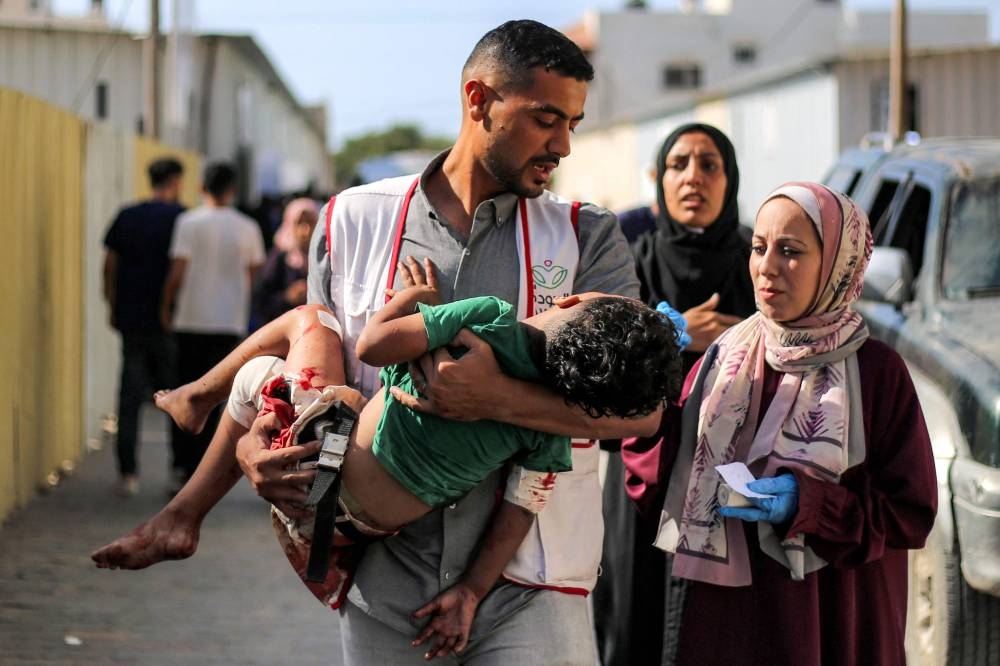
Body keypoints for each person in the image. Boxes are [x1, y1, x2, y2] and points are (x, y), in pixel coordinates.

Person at [93, 19, 652, 664]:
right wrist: (254, 451)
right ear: (478, 100)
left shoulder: (589, 238)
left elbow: (640, 410)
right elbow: (308, 377)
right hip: (379, 579)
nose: (563, 146)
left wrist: (493, 399)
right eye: (545, 119)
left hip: (533, 584)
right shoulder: (351, 219)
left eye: (573, 124)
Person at [152, 278, 679, 652]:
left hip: (315, 466)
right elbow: (520, 511)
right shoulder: (549, 427)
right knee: (349, 402)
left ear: (569, 299)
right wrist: (471, 590)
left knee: (307, 325)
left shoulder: (486, 319)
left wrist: (408, 300)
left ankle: (195, 400)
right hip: (358, 528)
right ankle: (191, 471)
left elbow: (375, 346)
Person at [621, 182, 937, 665]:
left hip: (832, 620)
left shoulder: (876, 372)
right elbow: (652, 481)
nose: (767, 267)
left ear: (837, 263)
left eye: (790, 251)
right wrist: (652, 372)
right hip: (725, 623)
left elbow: (909, 514)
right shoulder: (723, 357)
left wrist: (810, 503)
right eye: (759, 248)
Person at [595, 123, 758, 665]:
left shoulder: (758, 264)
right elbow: (601, 374)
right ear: (659, 179)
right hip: (644, 474)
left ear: (730, 179)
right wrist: (673, 334)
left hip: (741, 478)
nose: (694, 178)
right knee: (634, 620)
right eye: (679, 164)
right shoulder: (630, 262)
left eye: (710, 165)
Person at [160, 162, 265, 489]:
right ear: (232, 190)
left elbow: (178, 270)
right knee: (219, 400)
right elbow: (254, 274)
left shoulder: (188, 222)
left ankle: (181, 465)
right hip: (228, 324)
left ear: (202, 187)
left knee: (183, 393)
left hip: (190, 320)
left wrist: (165, 306)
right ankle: (205, 472)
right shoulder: (248, 227)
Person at [101, 157, 185, 496]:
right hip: (170, 321)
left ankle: (128, 473)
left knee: (130, 395)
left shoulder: (127, 216)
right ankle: (179, 470)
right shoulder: (182, 218)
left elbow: (109, 263)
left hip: (131, 318)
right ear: (176, 181)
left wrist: (111, 302)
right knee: (177, 395)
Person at [251, 197, 319, 325]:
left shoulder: (324, 258)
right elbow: (262, 302)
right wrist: (287, 297)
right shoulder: (279, 258)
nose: (306, 230)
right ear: (289, 224)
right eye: (299, 223)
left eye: (311, 222)